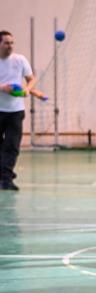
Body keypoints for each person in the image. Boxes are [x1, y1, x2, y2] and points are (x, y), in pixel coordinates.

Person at [0, 30, 35, 191]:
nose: (10, 46)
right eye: (6, 43)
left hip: (15, 111)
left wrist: (27, 89)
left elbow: (31, 78)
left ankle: (6, 179)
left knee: (12, 145)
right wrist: (3, 88)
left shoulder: (20, 60)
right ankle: (4, 174)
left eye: (11, 43)